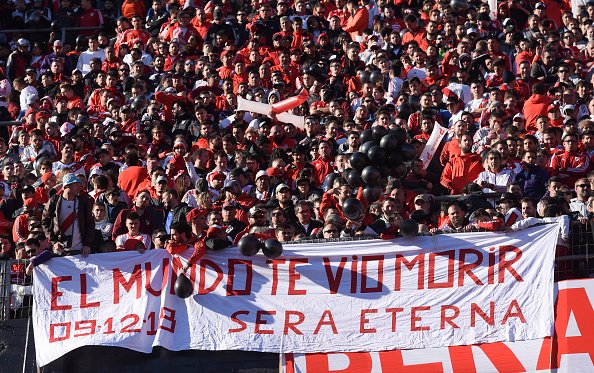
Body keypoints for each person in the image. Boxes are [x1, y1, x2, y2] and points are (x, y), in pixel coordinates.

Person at [41, 173, 95, 256]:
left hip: (80, 250)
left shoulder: (83, 201)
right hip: (60, 250)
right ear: (66, 186)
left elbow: (90, 223)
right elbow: (45, 222)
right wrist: (54, 242)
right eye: (75, 184)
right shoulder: (54, 201)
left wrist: (87, 244)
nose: (79, 187)